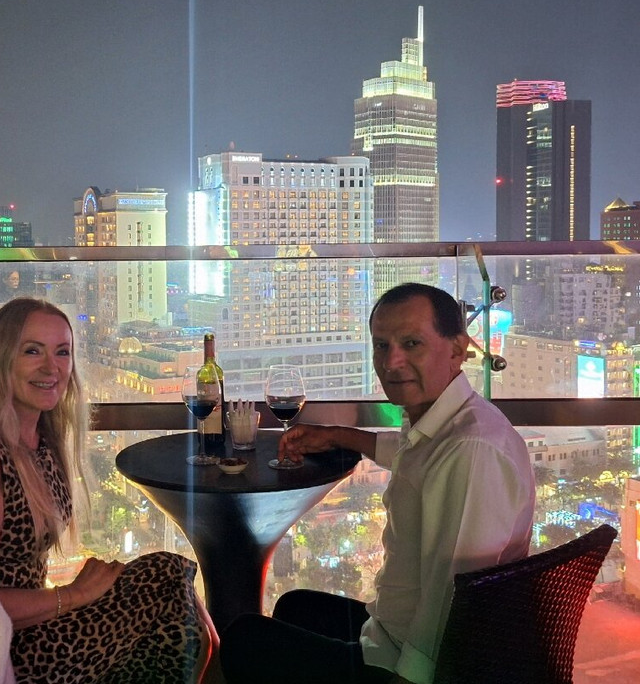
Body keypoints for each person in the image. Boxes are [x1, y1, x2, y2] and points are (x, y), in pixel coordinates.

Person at [220, 283, 536, 684]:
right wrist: (338, 436)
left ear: (457, 350)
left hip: (414, 663)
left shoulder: (470, 450)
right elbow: (410, 453)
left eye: (411, 344)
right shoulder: (448, 423)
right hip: (389, 632)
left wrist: (405, 679)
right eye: (381, 346)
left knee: (244, 639)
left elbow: (451, 601)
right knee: (295, 606)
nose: (391, 361)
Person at [0, 297, 217, 683]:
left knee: (170, 585)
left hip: (30, 627)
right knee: (166, 581)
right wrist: (73, 596)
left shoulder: (38, 436)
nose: (51, 367)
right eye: (32, 351)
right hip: (1, 651)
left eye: (62, 352)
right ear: (1, 360)